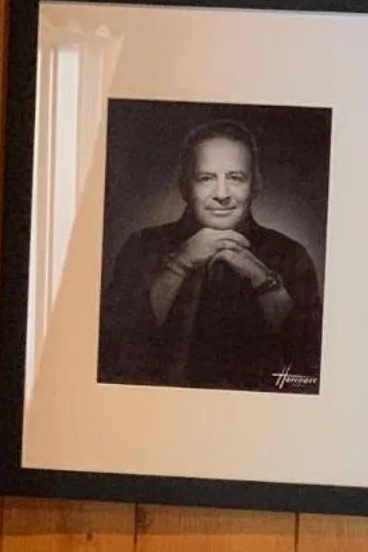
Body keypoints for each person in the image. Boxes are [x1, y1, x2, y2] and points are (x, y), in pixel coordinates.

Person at [98, 119, 323, 392]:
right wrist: (180, 263)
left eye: (235, 178)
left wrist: (262, 278)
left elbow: (307, 365)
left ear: (255, 186)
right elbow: (117, 352)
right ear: (184, 187)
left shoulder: (290, 254)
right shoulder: (142, 246)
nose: (222, 194)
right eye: (206, 178)